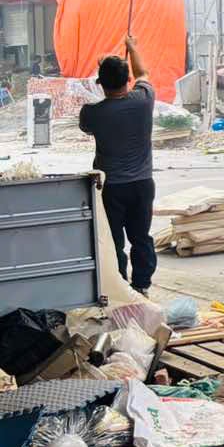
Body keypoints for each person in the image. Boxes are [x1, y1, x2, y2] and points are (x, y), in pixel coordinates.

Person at [79, 36, 155, 294]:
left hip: (110, 187)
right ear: (128, 79)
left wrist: (103, 68)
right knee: (141, 237)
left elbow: (87, 124)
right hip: (142, 184)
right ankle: (142, 286)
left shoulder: (92, 113)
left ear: (101, 83)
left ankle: (120, 286)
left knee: (113, 241)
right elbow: (143, 73)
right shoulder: (143, 100)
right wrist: (132, 48)